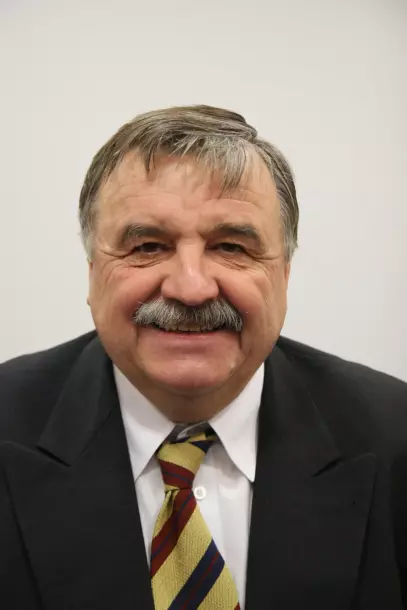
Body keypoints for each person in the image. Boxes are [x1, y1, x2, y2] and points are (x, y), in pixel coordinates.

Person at [1, 105, 406, 610]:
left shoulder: (394, 437)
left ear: (284, 275)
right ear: (92, 272)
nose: (191, 287)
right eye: (147, 246)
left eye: (231, 247)